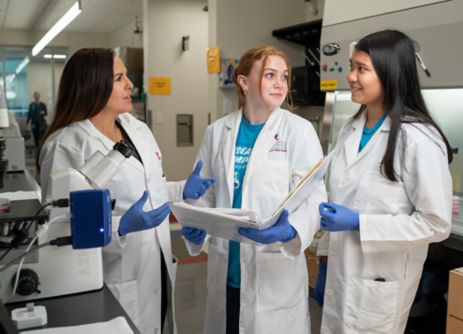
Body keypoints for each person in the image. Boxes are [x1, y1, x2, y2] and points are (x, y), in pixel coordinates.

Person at [37, 48, 214, 334]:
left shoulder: (138, 129)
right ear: (92, 84)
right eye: (120, 77)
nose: (130, 84)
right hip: (112, 277)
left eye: (126, 76)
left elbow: (148, 193)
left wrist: (183, 189)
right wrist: (120, 227)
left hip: (155, 270)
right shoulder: (67, 145)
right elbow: (60, 228)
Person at [182, 45, 327, 334]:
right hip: (227, 271)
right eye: (270, 74)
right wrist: (195, 220)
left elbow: (314, 195)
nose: (279, 84)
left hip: (273, 272)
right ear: (244, 82)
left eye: (284, 77)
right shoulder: (217, 132)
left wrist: (292, 230)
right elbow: (205, 192)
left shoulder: (298, 131)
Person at [319, 30, 453, 334]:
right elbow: (336, 203)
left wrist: (359, 223)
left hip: (378, 285)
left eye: (361, 69)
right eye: (351, 66)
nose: (351, 76)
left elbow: (437, 223)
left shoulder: (418, 138)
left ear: (390, 75)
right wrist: (325, 260)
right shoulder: (350, 128)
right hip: (340, 275)